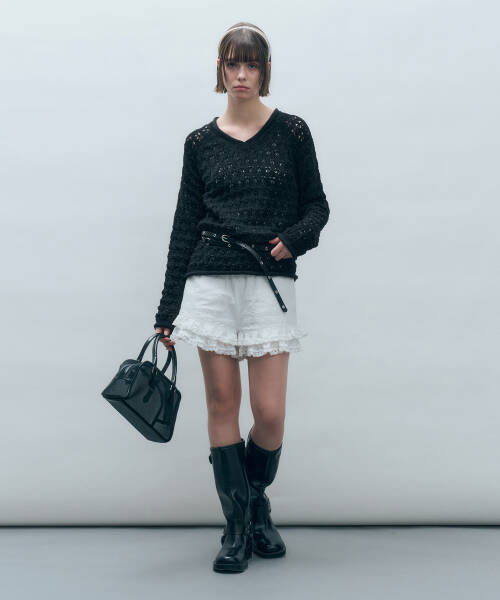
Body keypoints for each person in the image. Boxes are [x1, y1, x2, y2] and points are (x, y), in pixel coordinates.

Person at [154, 22, 330, 573]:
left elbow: (317, 207)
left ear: (265, 70)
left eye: (252, 64)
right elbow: (184, 226)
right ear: (220, 69)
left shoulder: (292, 132)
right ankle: (236, 527)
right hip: (208, 282)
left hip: (268, 286)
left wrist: (294, 239)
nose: (242, 75)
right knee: (221, 405)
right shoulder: (199, 143)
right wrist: (167, 310)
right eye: (233, 63)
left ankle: (255, 502)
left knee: (270, 414)